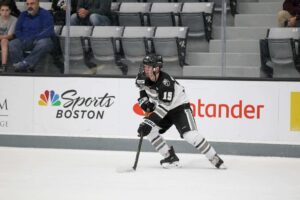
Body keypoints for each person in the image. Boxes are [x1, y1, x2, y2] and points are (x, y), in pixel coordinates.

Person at [135, 54, 225, 169]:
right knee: (150, 131)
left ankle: (214, 157)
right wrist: (145, 103)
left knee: (190, 135)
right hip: (164, 108)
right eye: (145, 66)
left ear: (156, 68)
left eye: (148, 66)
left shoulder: (165, 83)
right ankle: (170, 157)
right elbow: (142, 90)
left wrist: (148, 122)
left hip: (179, 108)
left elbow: (164, 108)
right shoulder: (142, 78)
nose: (145, 69)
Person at [9, 0, 54, 72]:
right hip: (25, 40)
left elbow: (49, 30)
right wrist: (23, 38)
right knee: (13, 43)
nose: (29, 6)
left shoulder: (46, 14)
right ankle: (20, 66)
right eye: (27, 4)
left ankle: (26, 64)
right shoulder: (23, 14)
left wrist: (36, 38)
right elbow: (17, 30)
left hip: (39, 40)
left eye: (32, 3)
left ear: (38, 4)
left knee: (45, 43)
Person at [0, 1, 17, 72]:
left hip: (8, 40)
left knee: (4, 41)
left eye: (7, 10)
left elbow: (10, 36)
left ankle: (3, 65)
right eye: (2, 10)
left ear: (10, 11)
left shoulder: (14, 19)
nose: (4, 13)